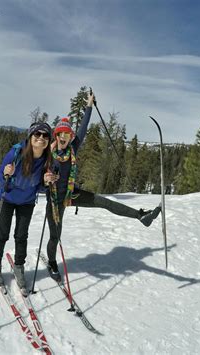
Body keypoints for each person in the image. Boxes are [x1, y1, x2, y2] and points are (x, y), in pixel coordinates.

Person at [43, 92, 161, 282]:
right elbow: (39, 181)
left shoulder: (73, 148)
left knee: (104, 202)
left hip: (72, 195)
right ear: (56, 135)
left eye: (67, 134)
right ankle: (51, 261)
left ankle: (141, 216)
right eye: (60, 134)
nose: (64, 137)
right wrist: (46, 180)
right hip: (55, 200)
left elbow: (83, 127)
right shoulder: (48, 155)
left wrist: (89, 105)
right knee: (55, 236)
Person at [0, 122, 52, 291]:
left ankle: (19, 268)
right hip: (7, 198)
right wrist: (5, 174)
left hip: (27, 201)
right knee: (2, 234)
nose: (41, 138)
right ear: (30, 136)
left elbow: (37, 186)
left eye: (45, 136)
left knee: (21, 235)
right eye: (37, 134)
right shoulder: (15, 153)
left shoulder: (47, 160)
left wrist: (46, 183)